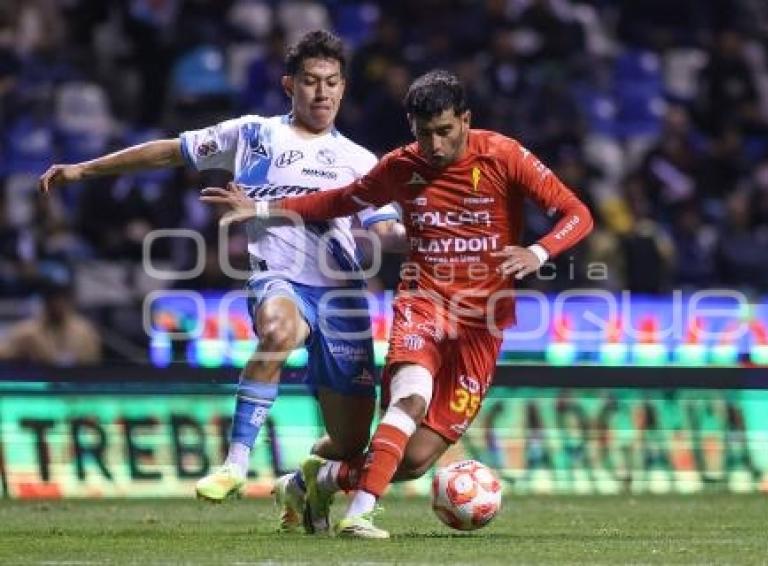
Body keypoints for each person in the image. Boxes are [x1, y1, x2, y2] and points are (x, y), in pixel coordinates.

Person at [201, 69, 594, 538]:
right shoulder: (400, 166)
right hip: (423, 305)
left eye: (445, 131)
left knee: (413, 461)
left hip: (483, 325)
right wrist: (263, 209)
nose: (435, 144)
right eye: (424, 132)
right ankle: (359, 515)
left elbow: (578, 214)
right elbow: (339, 200)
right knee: (410, 399)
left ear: (465, 120)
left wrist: (538, 251)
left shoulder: (503, 155)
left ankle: (313, 483)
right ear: (412, 126)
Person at [38, 30, 404, 524]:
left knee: (349, 442)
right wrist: (85, 170)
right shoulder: (254, 135)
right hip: (279, 278)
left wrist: (437, 235)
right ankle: (234, 465)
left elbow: (387, 232)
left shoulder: (362, 162)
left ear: (343, 87)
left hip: (343, 296)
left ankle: (299, 487)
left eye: (332, 83)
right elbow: (170, 150)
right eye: (311, 82)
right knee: (278, 332)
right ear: (288, 85)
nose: (322, 93)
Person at [0, 272, 102, 365]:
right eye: (53, 301)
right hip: (40, 380)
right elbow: (4, 353)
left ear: (69, 302)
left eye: (62, 300)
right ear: (46, 303)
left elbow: (93, 362)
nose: (58, 305)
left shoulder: (84, 331)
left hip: (76, 380)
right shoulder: (27, 332)